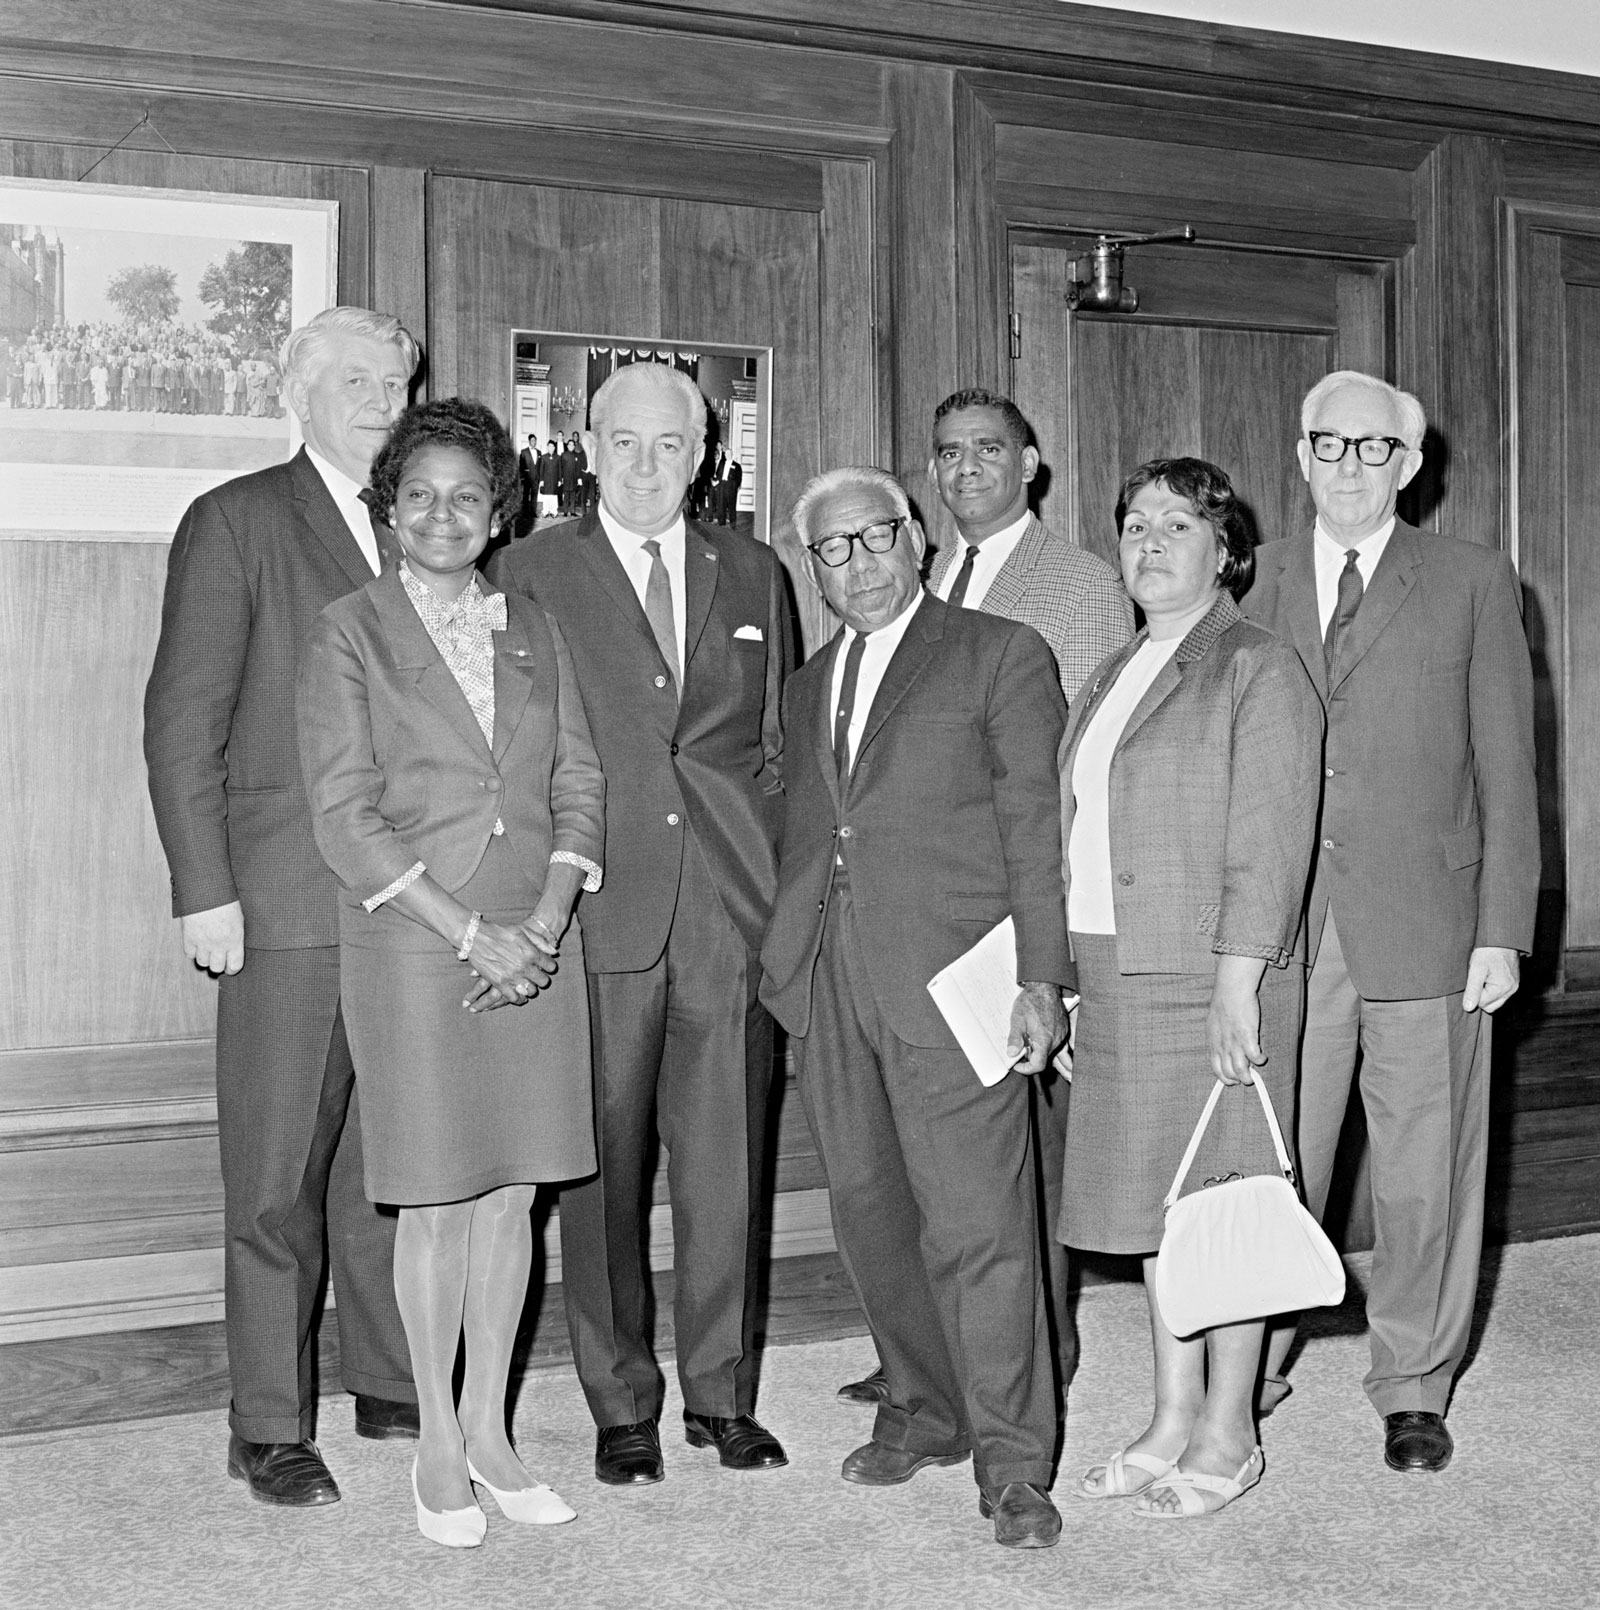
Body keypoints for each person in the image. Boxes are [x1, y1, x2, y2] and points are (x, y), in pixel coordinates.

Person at [297, 398, 603, 1548]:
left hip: (538, 936)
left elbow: (581, 781)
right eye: (418, 492)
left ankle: (491, 1431)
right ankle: (433, 1440)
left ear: (498, 511)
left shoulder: (536, 624)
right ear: (388, 507)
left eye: (467, 494)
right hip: (417, 945)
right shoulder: (348, 630)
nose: (443, 512)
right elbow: (345, 812)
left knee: (516, 1192)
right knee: (435, 1199)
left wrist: (547, 917)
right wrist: (470, 932)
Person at [490, 361, 793, 1485]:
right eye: (626, 442)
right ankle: (620, 1401)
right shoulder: (525, 570)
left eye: (672, 445)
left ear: (706, 453)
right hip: (595, 906)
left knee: (727, 1162)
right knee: (600, 1171)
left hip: (724, 908)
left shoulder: (754, 569)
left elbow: (771, 747)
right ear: (584, 444)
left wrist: (773, 898)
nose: (648, 465)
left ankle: (722, 1394)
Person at [143, 306, 421, 1509]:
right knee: (273, 1172)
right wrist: (204, 890)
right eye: (354, 378)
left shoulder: (431, 524)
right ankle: (267, 1417)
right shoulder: (238, 519)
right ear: (296, 390)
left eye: (395, 382)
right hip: (282, 900)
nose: (379, 398)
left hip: (413, 901)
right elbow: (179, 723)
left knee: (387, 1157)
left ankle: (384, 1373)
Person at [760, 466, 1069, 1549]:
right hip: (832, 978)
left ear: (916, 539)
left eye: (875, 536)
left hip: (958, 979)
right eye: (832, 549)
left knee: (981, 1224)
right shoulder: (804, 686)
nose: (859, 562)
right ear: (815, 567)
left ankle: (1014, 1462)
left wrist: (1042, 973)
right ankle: (924, 1408)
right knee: (873, 1213)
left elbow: (1037, 824)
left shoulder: (997, 653)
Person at [1245, 372, 1539, 1473]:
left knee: (1427, 1165)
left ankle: (1413, 1379)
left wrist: (1499, 925)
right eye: (1331, 443)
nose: (1350, 466)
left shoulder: (1470, 581)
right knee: (1275, 1161)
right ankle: (1254, 1357)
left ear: (1410, 466)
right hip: (1284, 925)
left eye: (1375, 449)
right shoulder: (1251, 578)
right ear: (1304, 452)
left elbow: (1509, 770)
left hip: (1430, 918)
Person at [836, 387, 1134, 1413]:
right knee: (926, 1166)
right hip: (919, 914)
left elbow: (1086, 765)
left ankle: (1034, 1349)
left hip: (1019, 908)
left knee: (1023, 1163)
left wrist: (1049, 949)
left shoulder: (1081, 585)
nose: (966, 466)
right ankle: (930, 1349)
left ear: (1031, 460)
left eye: (988, 449)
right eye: (948, 452)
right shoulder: (913, 577)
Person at [1057, 456, 1321, 1518]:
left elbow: (1268, 845)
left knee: (1225, 1209)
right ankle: (1170, 1415)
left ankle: (1230, 1427)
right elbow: (1077, 836)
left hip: (1215, 977)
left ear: (1226, 551)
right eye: (1133, 523)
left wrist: (1238, 986)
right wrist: (1068, 978)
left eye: (1177, 523)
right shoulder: (1109, 670)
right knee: (1159, 1217)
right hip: (1117, 972)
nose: (1149, 540)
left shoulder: (1257, 666)